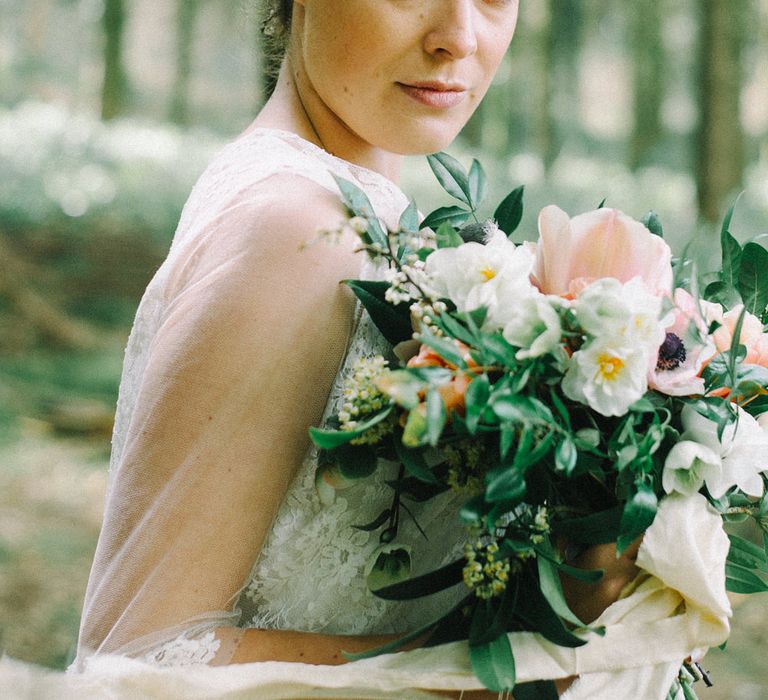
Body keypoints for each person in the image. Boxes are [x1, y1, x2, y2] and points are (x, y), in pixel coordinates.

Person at [60, 2, 727, 699]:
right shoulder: (295, 233)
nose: (459, 39)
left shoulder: (341, 213)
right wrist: (529, 667)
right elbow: (137, 665)